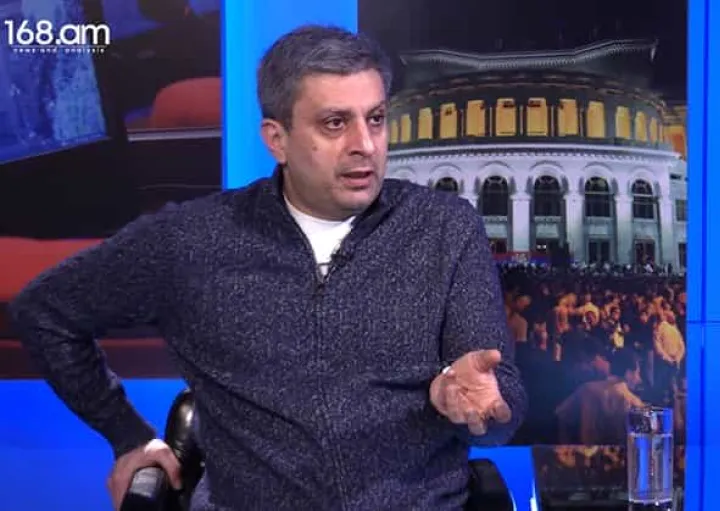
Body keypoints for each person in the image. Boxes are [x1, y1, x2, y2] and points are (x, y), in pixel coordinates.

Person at [8, 24, 527, 510]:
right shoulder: (192, 240)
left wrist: (475, 405)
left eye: (375, 119)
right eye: (335, 123)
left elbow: (503, 409)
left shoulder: (444, 228)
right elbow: (45, 311)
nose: (365, 146)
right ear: (276, 139)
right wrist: (127, 435)